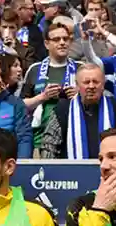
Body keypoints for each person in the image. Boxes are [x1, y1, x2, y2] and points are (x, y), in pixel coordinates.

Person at [41, 63, 116, 158]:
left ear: (103, 84)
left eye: (96, 82)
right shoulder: (62, 110)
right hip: (71, 168)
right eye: (86, 82)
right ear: (77, 85)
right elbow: (48, 146)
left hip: (113, 167)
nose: (91, 86)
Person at [21, 23, 80, 153]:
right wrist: (43, 97)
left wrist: (80, 95)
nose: (62, 43)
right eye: (56, 39)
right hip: (41, 139)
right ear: (46, 44)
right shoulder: (35, 69)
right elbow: (21, 105)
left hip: (75, 137)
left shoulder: (81, 68)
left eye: (65, 39)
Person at [1, 9, 37, 73]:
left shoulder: (28, 51)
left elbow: (28, 72)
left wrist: (15, 50)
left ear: (17, 29)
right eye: (4, 27)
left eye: (11, 27)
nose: (8, 31)